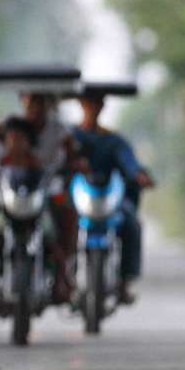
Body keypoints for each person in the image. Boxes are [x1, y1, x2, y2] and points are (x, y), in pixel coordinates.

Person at [0, 93, 85, 305]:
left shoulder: (51, 139)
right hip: (5, 196)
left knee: (64, 218)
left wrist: (75, 166)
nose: (36, 109)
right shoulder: (6, 127)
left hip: (41, 195)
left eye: (41, 103)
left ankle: (63, 275)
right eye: (31, 103)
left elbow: (72, 158)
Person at [72, 92, 154, 304]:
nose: (94, 107)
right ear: (82, 104)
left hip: (109, 199)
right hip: (75, 199)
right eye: (90, 102)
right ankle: (58, 278)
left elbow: (129, 162)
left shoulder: (113, 140)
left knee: (132, 223)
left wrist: (139, 175)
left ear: (102, 107)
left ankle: (124, 281)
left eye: (97, 103)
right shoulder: (70, 137)